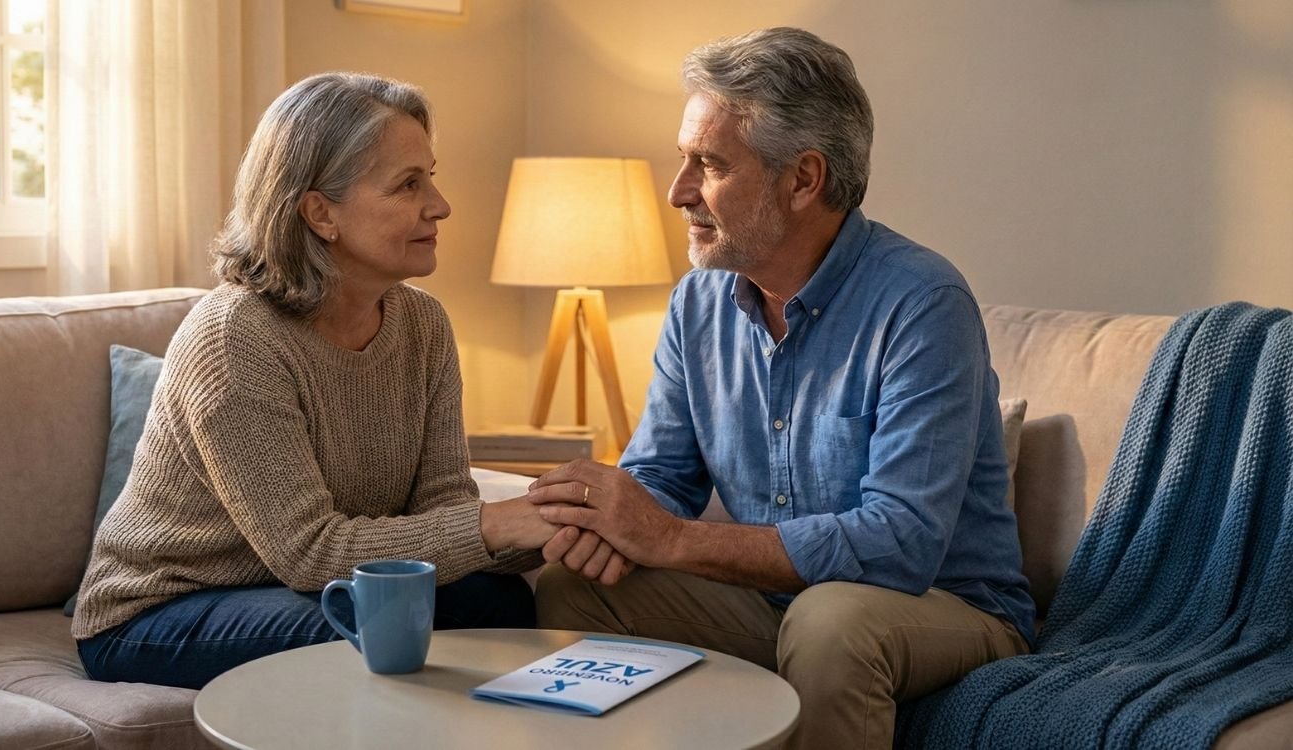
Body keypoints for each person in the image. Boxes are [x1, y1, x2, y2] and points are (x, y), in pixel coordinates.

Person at [530, 27, 1036, 749]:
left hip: (944, 607)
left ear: (803, 178)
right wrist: (601, 518)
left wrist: (670, 538)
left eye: (708, 165)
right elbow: (660, 479)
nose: (678, 193)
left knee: (830, 625)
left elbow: (900, 543)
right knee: (574, 586)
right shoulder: (697, 303)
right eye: (684, 160)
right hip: (772, 605)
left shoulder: (922, 301)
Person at [72, 72, 558, 690]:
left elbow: (445, 511)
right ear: (320, 212)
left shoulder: (424, 324)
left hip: (301, 587)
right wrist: (496, 525)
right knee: (375, 633)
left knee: (500, 603)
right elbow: (311, 553)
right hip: (157, 612)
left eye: (430, 177)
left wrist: (555, 520)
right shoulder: (234, 338)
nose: (439, 205)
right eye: (408, 184)